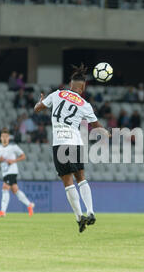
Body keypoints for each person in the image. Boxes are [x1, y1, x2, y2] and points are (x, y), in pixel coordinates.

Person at [34, 64, 108, 233]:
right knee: (81, 177)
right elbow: (95, 126)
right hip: (75, 142)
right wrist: (105, 132)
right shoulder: (84, 104)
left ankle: (78, 216)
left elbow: (37, 109)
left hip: (59, 142)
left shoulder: (57, 94)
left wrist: (40, 102)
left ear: (70, 84)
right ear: (83, 87)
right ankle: (90, 211)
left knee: (67, 182)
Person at [0, 128, 35, 217]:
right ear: (0, 138)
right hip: (4, 172)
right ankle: (29, 205)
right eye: (3, 136)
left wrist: (13, 161)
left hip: (12, 171)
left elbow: (23, 156)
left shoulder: (13, 147)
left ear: (9, 138)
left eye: (6, 136)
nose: (4, 138)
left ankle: (3, 211)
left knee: (5, 187)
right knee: (15, 190)